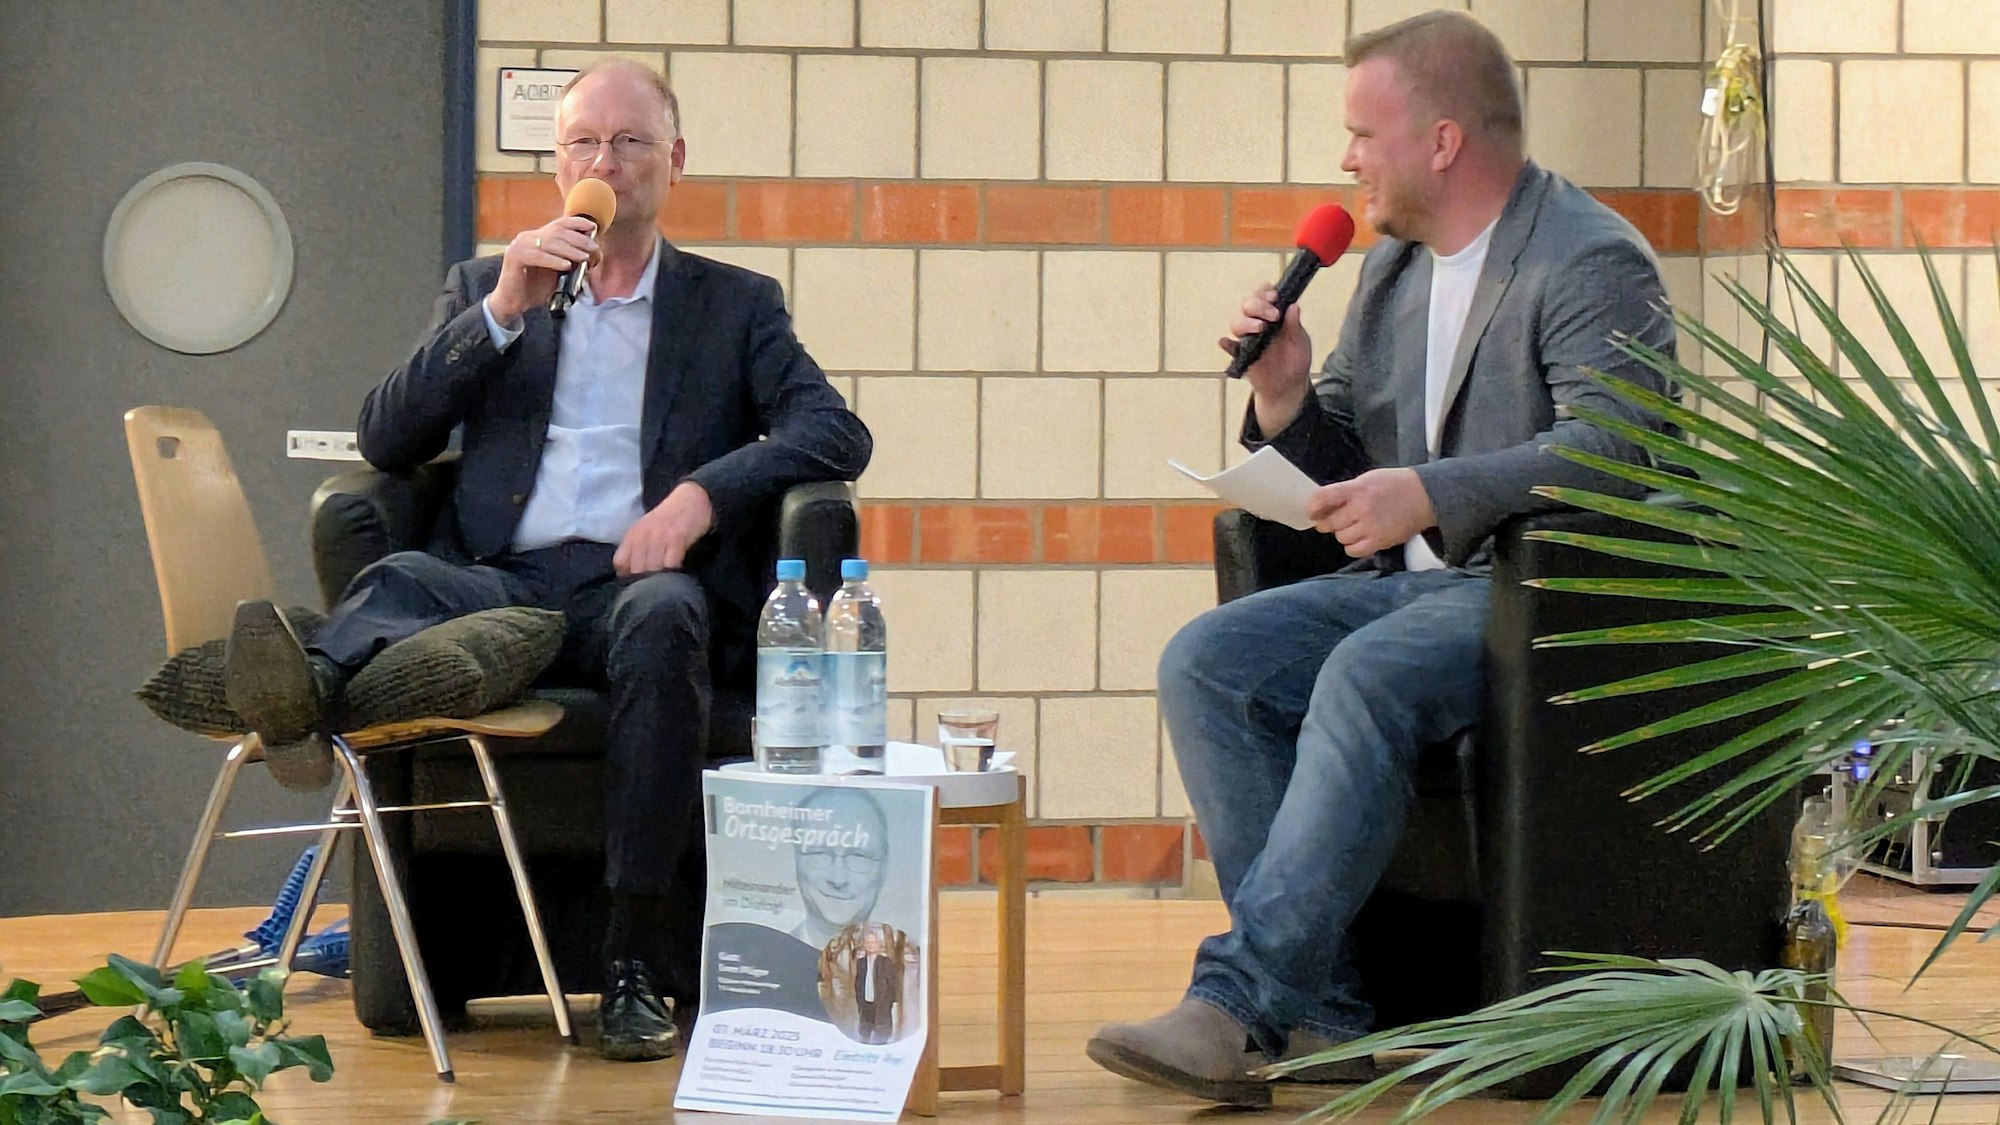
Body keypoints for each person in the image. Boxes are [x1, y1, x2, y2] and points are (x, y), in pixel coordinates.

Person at [220, 58, 871, 1063]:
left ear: (674, 161)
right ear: (557, 164)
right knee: (398, 580)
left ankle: (634, 961)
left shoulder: (733, 305)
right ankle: (301, 693)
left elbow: (834, 430)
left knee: (669, 616)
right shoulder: (489, 284)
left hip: (633, 589)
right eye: (582, 143)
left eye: (628, 142)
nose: (603, 162)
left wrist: (699, 496)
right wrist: (498, 314)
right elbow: (386, 439)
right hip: (502, 581)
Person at [1085, 10, 1677, 1108]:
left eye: (1363, 133)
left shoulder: (1588, 258)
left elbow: (1617, 449)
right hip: (1404, 587)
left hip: (1532, 595)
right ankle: (1326, 1014)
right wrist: (1284, 397)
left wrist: (1434, 492)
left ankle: (1238, 1003)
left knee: (1366, 674)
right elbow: (1349, 455)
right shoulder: (1396, 268)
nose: (1347, 159)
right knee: (1207, 661)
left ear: (1441, 141)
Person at [789, 788, 890, 949]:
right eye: (820, 853)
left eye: (858, 856)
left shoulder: (911, 962)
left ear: (883, 867)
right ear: (796, 859)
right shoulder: (764, 957)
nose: (838, 879)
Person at [851, 927, 902, 1044]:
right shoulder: (861, 963)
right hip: (866, 1004)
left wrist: (890, 1002)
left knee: (881, 1035)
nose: (870, 945)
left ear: (878, 944)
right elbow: (858, 983)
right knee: (865, 1033)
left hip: (882, 1004)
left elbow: (893, 983)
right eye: (868, 942)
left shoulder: (886, 962)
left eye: (873, 942)